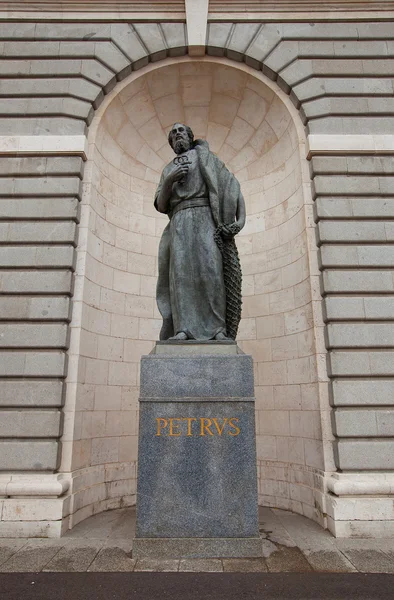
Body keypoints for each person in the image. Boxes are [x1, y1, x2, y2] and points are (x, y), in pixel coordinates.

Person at [154, 123, 246, 341]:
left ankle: (218, 330)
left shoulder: (207, 157)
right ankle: (183, 329)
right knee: (181, 276)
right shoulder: (168, 169)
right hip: (179, 222)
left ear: (190, 136)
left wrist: (240, 220)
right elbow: (160, 204)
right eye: (173, 133)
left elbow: (232, 187)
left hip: (207, 218)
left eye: (181, 131)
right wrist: (169, 180)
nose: (177, 134)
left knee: (211, 272)